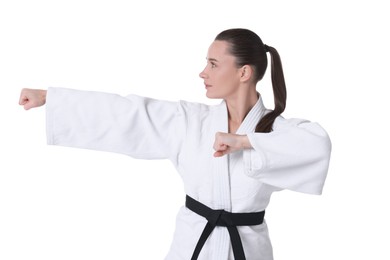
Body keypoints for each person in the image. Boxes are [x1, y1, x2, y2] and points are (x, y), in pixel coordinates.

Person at [19, 28, 332, 260]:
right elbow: (129, 113)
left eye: (213, 64)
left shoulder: (276, 130)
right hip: (192, 245)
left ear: (244, 73)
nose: (202, 72)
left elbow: (317, 145)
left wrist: (245, 141)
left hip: (248, 250)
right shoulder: (190, 121)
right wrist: (52, 98)